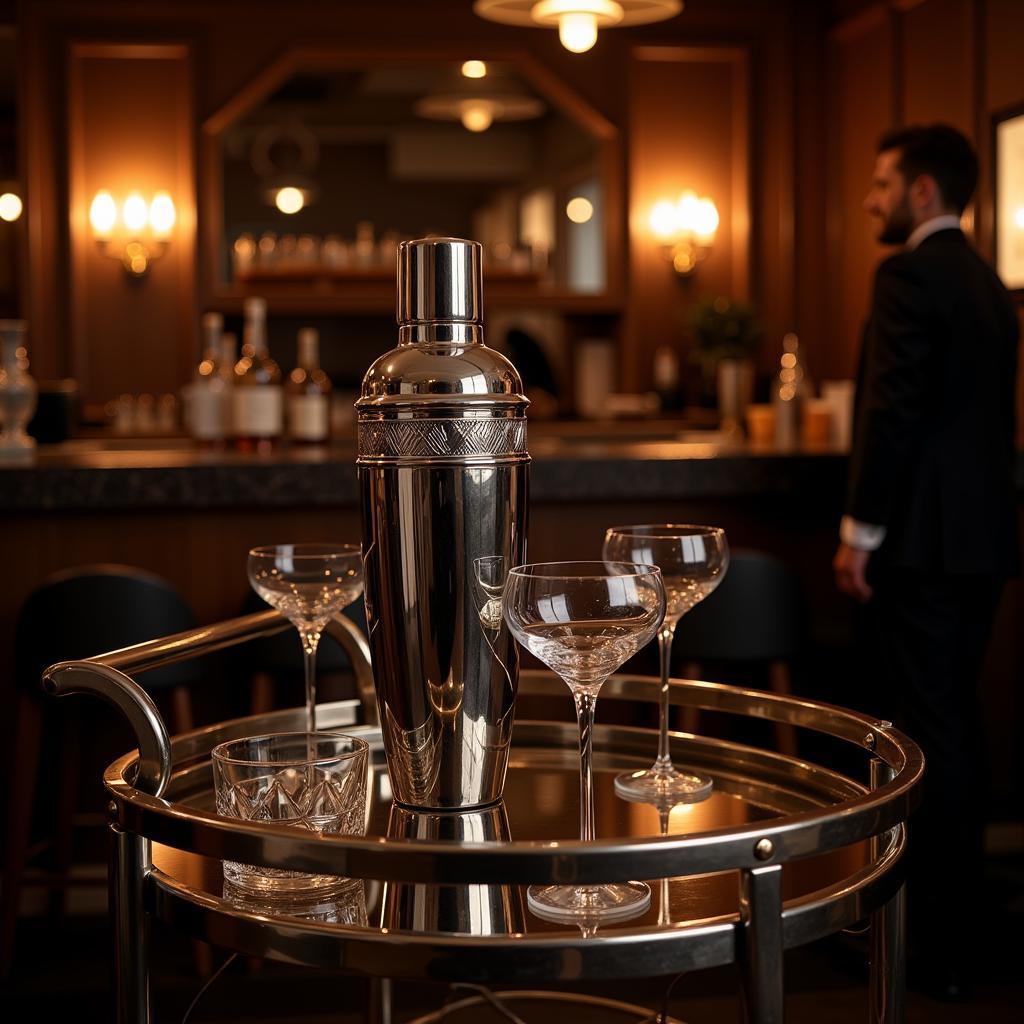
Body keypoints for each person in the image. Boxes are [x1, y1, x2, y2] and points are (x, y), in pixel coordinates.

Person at [833, 124, 1019, 999]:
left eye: (880, 183)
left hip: (919, 545)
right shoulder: (988, 282)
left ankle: (925, 941)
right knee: (958, 729)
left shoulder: (906, 273)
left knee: (920, 734)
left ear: (920, 192)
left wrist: (858, 532)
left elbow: (892, 413)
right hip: (984, 543)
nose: (869, 198)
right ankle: (962, 929)